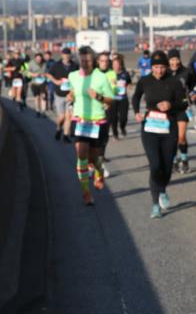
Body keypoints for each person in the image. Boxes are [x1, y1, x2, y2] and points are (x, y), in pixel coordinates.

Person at [132, 50, 188, 218]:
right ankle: (155, 204)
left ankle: (162, 189)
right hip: (150, 128)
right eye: (156, 67)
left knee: (167, 166)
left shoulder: (174, 82)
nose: (159, 71)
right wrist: (136, 112)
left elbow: (183, 103)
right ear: (151, 67)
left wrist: (171, 105)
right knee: (155, 165)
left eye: (162, 67)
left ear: (167, 67)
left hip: (169, 128)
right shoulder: (145, 81)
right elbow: (135, 98)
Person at [67, 46, 115, 206]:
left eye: (88, 60)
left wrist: (98, 96)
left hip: (97, 121)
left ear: (93, 60)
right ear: (78, 60)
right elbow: (74, 91)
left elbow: (110, 100)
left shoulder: (101, 77)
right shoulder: (72, 76)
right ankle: (86, 192)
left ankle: (99, 172)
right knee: (81, 155)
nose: (85, 63)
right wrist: (71, 95)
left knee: (94, 159)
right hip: (80, 120)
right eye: (82, 60)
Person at [168, 48, 196, 173]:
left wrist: (193, 93)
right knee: (171, 138)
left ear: (179, 59)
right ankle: (174, 161)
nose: (174, 62)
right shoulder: (165, 73)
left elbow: (194, 85)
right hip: (168, 110)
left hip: (183, 108)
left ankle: (184, 161)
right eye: (172, 59)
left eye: (176, 59)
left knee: (181, 137)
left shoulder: (187, 72)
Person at [46, 48, 75, 142]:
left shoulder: (75, 65)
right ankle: (58, 128)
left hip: (70, 94)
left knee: (69, 116)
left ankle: (66, 136)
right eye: (64, 54)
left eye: (68, 54)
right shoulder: (56, 65)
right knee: (61, 116)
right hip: (59, 94)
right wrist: (55, 81)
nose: (66, 56)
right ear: (61, 55)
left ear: (70, 55)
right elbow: (48, 74)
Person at [110, 53, 132, 138]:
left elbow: (129, 83)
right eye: (114, 64)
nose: (116, 66)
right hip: (113, 99)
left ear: (120, 65)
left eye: (117, 64)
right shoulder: (109, 74)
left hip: (123, 99)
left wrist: (128, 86)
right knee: (114, 118)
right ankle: (115, 134)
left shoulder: (125, 73)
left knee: (124, 118)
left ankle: (122, 127)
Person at [27, 52, 48, 117]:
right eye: (37, 59)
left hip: (43, 82)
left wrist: (45, 75)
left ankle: (43, 111)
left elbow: (48, 72)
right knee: (37, 97)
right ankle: (37, 111)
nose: (39, 60)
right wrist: (34, 74)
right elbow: (27, 73)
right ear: (35, 58)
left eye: (40, 58)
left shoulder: (45, 63)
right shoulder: (31, 63)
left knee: (43, 97)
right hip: (34, 83)